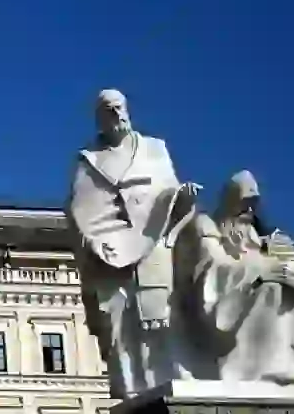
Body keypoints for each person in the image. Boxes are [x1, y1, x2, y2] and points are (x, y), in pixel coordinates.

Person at [66, 89, 200, 399]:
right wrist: (96, 241)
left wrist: (183, 199)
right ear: (99, 119)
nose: (116, 113)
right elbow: (80, 208)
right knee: (120, 327)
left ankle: (169, 377)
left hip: (153, 244)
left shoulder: (155, 148)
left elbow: (168, 192)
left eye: (120, 107)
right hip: (110, 253)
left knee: (161, 316)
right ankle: (131, 387)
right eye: (109, 109)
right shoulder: (89, 160)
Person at [180, 170, 294, 384]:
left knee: (292, 287)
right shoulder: (206, 224)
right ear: (231, 201)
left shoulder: (252, 235)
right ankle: (252, 368)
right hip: (219, 297)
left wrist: (293, 274)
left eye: (253, 205)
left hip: (246, 286)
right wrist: (262, 273)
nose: (249, 211)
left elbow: (264, 261)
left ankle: (283, 363)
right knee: (270, 288)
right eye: (244, 203)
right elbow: (213, 266)